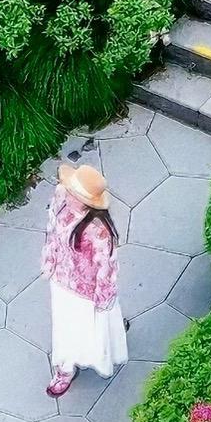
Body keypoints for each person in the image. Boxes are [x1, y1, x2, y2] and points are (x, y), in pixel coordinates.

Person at [42, 158, 126, 398]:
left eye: (74, 192)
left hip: (84, 291)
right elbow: (51, 226)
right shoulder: (61, 195)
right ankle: (64, 368)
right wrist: (49, 259)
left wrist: (103, 301)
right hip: (59, 279)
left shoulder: (98, 230)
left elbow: (107, 269)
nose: (66, 192)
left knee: (88, 328)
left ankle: (89, 360)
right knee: (63, 328)